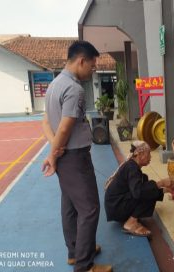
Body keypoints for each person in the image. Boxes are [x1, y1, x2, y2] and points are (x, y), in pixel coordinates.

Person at [42, 41, 112, 272]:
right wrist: (54, 154)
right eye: (92, 66)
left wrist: (54, 149)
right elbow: (64, 128)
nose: (92, 70)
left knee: (70, 205)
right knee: (90, 209)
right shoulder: (74, 89)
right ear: (81, 61)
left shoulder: (54, 84)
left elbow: (45, 121)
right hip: (74, 158)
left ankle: (76, 252)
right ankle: (84, 266)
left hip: (65, 156)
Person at [104, 141, 174, 237]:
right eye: (149, 154)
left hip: (115, 205)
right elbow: (138, 192)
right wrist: (161, 183)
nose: (150, 157)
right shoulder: (132, 168)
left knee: (145, 180)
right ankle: (130, 223)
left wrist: (165, 190)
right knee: (147, 191)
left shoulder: (132, 166)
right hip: (116, 207)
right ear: (141, 154)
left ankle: (131, 218)